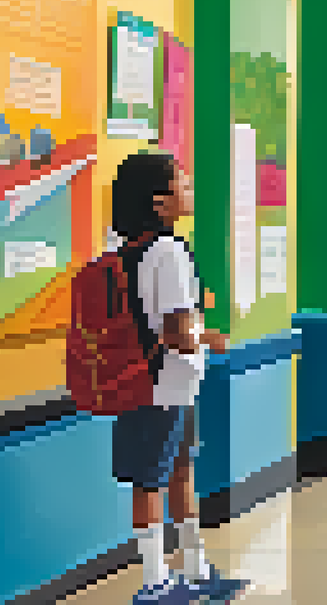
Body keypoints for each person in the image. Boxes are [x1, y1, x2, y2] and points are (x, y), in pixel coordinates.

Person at [106, 151, 247, 605]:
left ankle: (194, 567)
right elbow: (177, 333)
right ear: (159, 202)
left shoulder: (123, 250)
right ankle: (154, 580)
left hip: (158, 384)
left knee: (179, 473)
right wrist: (211, 338)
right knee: (151, 481)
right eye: (180, 182)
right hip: (161, 386)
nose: (189, 189)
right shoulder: (167, 252)